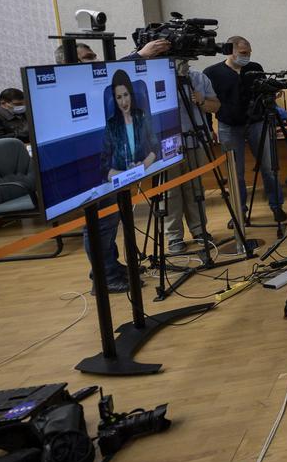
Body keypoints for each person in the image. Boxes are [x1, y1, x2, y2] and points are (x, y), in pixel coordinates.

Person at [81, 39, 171, 293]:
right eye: (86, 57)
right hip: (107, 181)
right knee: (99, 225)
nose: (123, 100)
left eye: (126, 95)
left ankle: (110, 266)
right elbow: (102, 164)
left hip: (128, 177)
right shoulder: (110, 124)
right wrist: (139, 55)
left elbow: (155, 147)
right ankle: (104, 278)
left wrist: (145, 163)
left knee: (111, 224)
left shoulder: (141, 115)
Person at [204, 36, 287, 223]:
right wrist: (209, 128)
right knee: (236, 173)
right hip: (229, 126)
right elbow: (208, 102)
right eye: (243, 53)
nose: (247, 56)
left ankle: (277, 206)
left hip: (258, 123)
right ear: (230, 51)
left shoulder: (255, 68)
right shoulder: (212, 73)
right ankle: (239, 213)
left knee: (269, 167)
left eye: (249, 53)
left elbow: (264, 93)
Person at [164, 63, 221, 255]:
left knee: (195, 187)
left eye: (187, 60)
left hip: (196, 139)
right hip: (167, 144)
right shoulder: (158, 77)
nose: (185, 64)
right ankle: (174, 237)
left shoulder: (199, 78)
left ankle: (199, 230)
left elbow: (216, 105)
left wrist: (202, 101)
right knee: (171, 192)